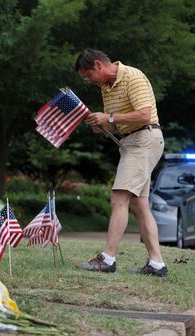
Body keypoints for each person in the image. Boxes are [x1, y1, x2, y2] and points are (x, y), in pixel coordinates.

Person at [75, 49, 167, 277]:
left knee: (119, 198)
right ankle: (157, 264)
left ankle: (107, 259)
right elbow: (115, 123)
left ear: (98, 65)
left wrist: (110, 118)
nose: (88, 82)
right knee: (139, 205)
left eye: (87, 76)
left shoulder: (132, 77)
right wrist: (102, 125)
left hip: (144, 139)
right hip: (131, 143)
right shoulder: (107, 87)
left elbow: (144, 115)